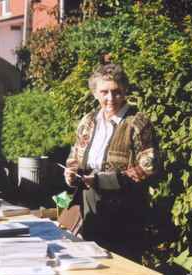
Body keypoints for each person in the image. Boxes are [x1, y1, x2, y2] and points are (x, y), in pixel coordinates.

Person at [64, 63, 160, 261]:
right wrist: (71, 174)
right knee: (90, 264)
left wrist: (104, 180)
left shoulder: (137, 123)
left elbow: (149, 167)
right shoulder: (88, 121)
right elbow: (74, 157)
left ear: (124, 91)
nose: (110, 98)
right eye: (104, 92)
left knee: (121, 267)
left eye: (116, 92)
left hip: (125, 211)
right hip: (89, 207)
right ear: (95, 93)